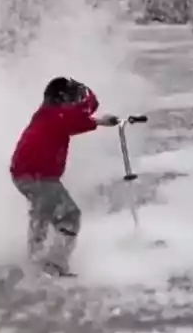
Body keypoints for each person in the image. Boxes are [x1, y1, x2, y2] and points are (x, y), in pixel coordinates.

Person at [10, 77, 118, 277]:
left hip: (23, 174)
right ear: (62, 99)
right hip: (39, 175)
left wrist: (100, 121)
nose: (76, 102)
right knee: (70, 216)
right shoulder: (58, 115)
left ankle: (34, 259)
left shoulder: (47, 115)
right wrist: (89, 95)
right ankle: (53, 266)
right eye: (73, 98)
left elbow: (80, 120)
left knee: (41, 214)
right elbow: (86, 111)